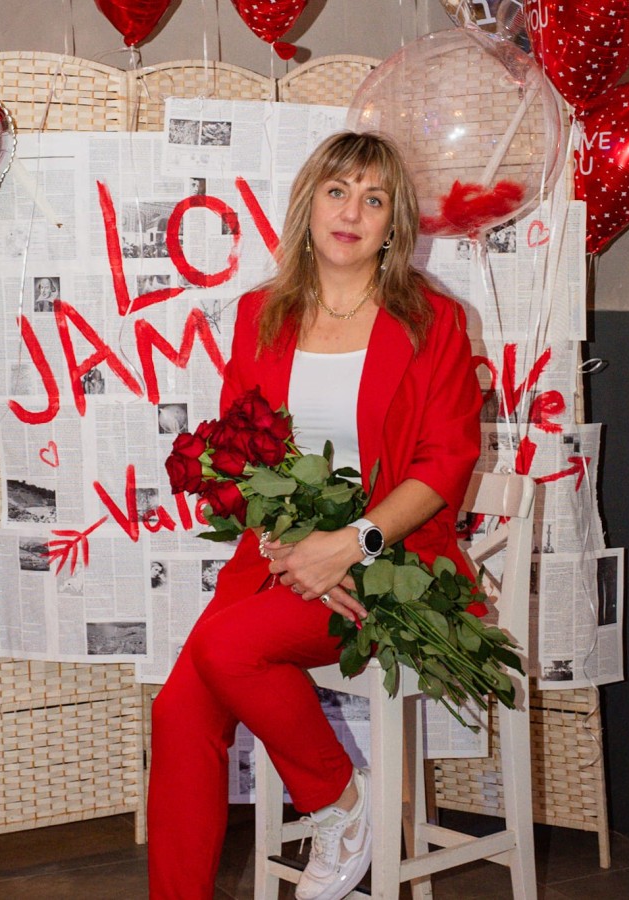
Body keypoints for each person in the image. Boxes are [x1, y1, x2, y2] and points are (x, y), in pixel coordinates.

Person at [147, 131, 482, 900]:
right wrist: (294, 550)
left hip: (395, 564)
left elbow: (445, 463)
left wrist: (352, 545)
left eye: (373, 198)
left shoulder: (433, 321)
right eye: (338, 191)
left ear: (393, 224)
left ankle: (336, 804)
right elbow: (241, 454)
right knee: (178, 713)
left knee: (226, 647)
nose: (352, 212)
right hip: (282, 557)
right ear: (309, 206)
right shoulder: (259, 315)